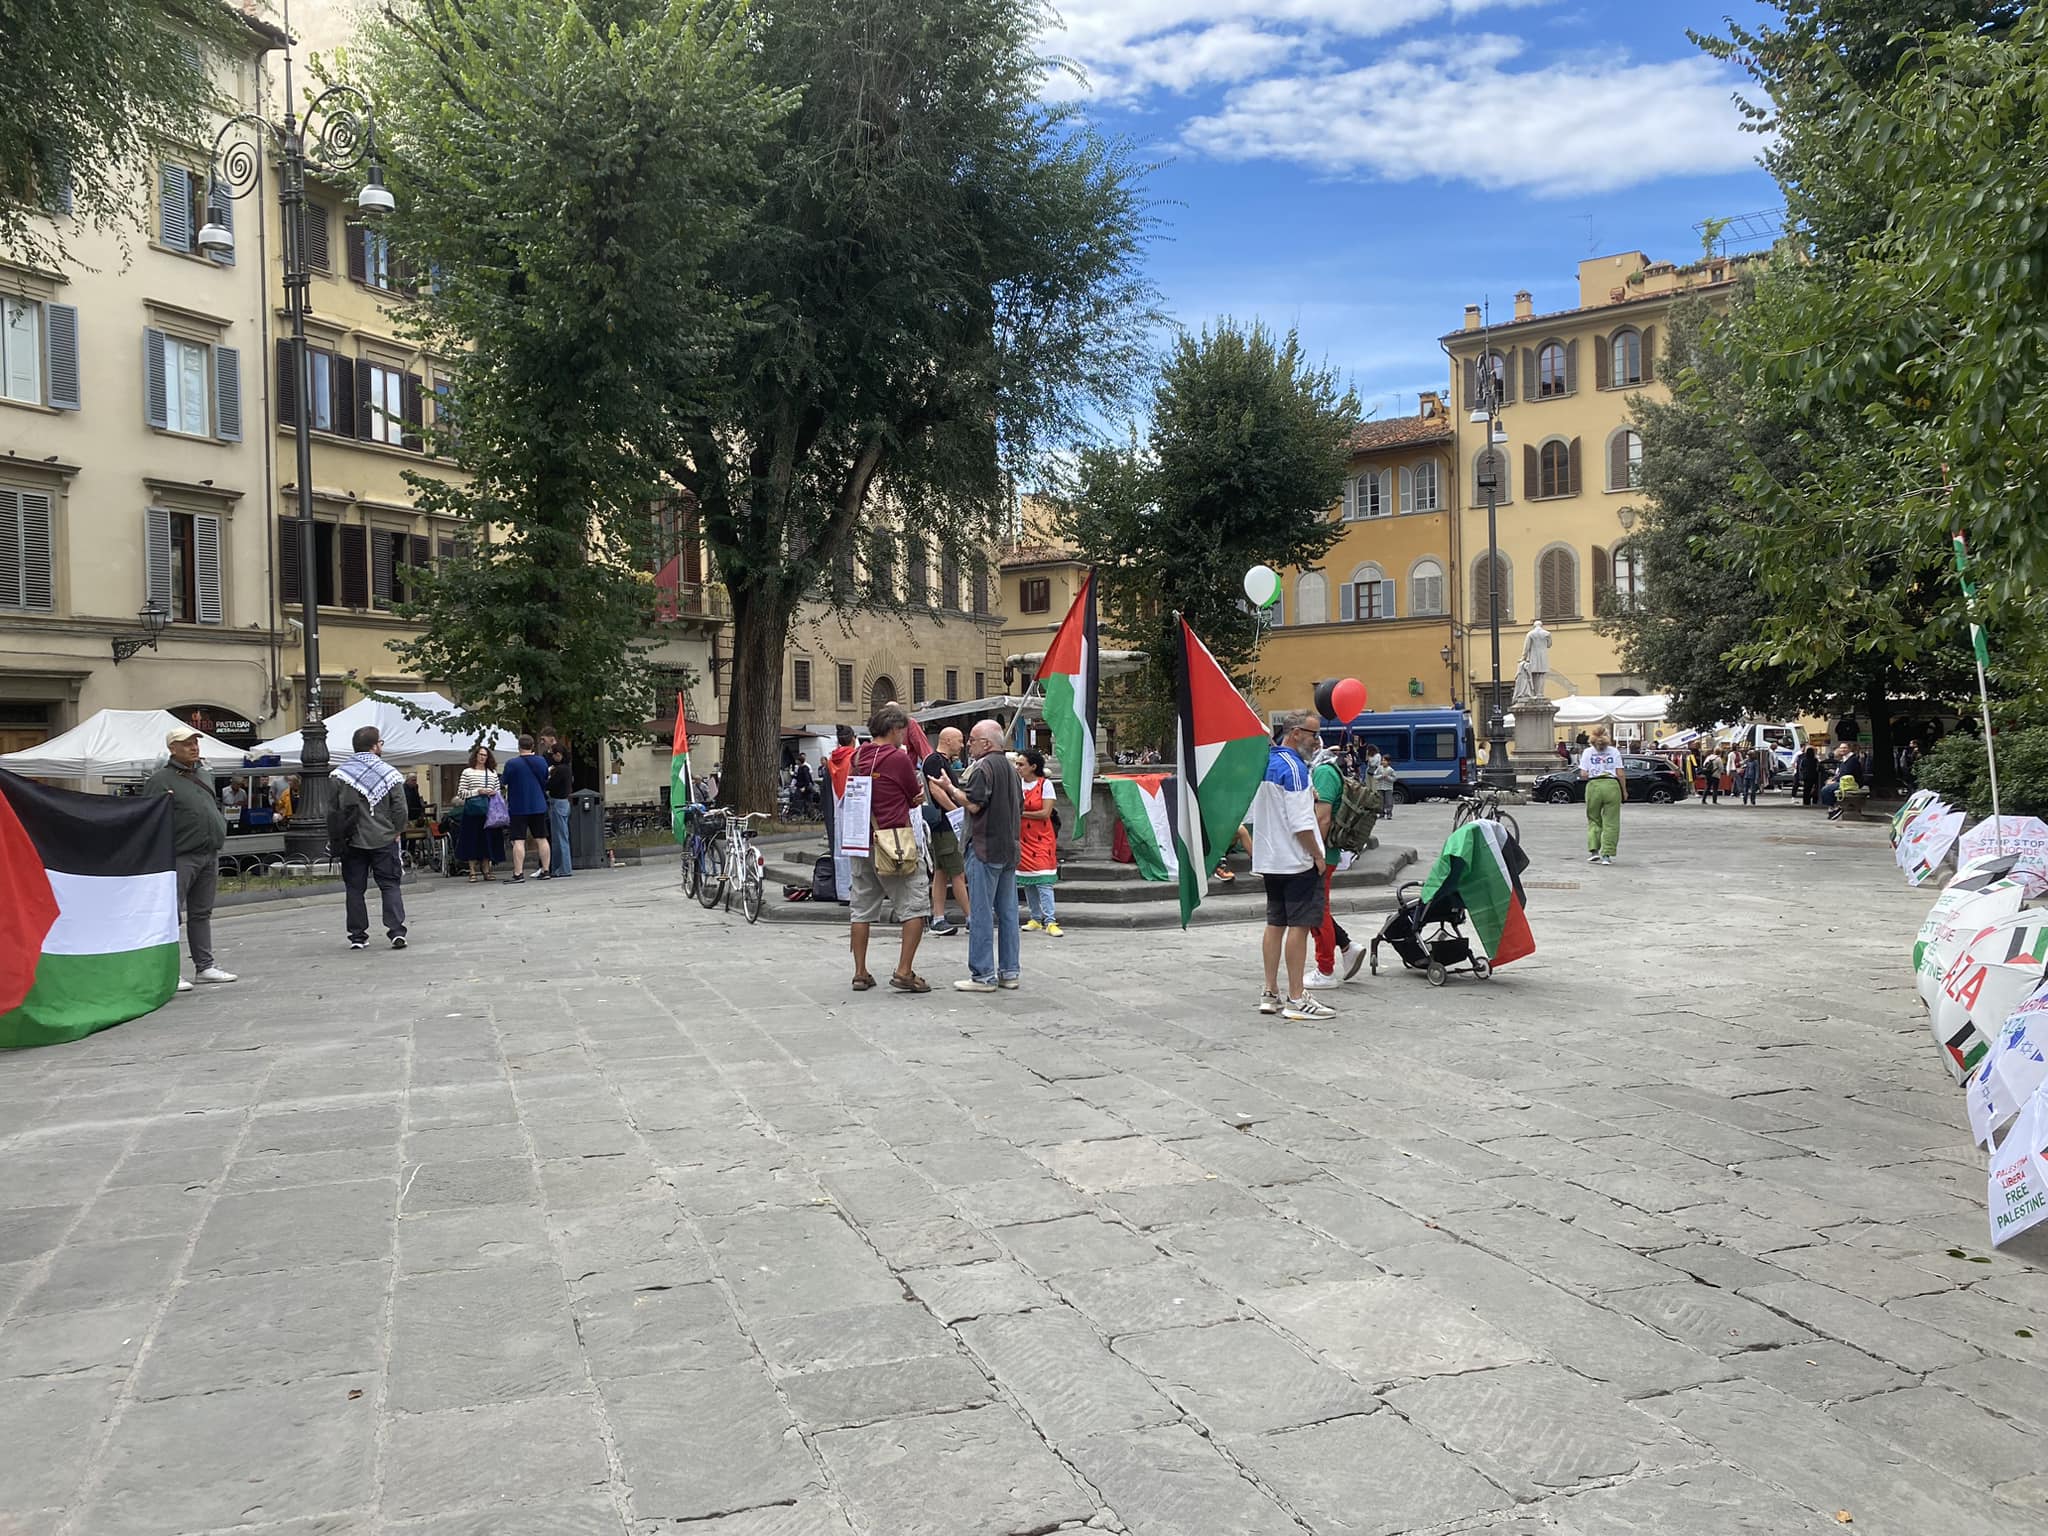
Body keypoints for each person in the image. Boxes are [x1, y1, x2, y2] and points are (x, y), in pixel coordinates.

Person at [1254, 712, 1333, 1022]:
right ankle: (1297, 996)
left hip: (1270, 858)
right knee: (1298, 927)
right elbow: (1301, 823)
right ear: (1296, 733)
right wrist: (1317, 855)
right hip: (1296, 860)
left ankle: (1270, 992)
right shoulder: (1296, 769)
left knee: (1275, 924)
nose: (1317, 741)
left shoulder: (1266, 763)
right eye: (1313, 734)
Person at [144, 726, 235, 991]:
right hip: (180, 854)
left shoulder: (204, 774)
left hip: (208, 852)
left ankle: (205, 966)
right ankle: (169, 972)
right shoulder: (160, 780)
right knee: (171, 914)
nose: (193, 747)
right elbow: (151, 818)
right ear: (172, 748)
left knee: (201, 912)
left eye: (195, 742)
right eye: (186, 744)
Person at [848, 704, 931, 993]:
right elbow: (913, 795)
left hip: (862, 840)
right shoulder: (897, 758)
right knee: (914, 905)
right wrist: (915, 798)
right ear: (895, 730)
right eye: (903, 733)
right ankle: (904, 971)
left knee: (861, 907)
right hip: (895, 841)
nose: (903, 738)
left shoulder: (857, 756)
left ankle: (860, 972)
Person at [957, 719, 1023, 993]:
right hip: (1008, 849)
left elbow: (974, 804)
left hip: (985, 848)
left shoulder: (983, 768)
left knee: (981, 913)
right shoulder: (1011, 769)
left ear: (986, 743)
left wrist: (949, 790)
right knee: (1008, 913)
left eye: (972, 739)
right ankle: (1009, 971)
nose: (968, 744)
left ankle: (983, 975)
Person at [333, 725, 410, 951]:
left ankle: (357, 935)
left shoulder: (341, 774)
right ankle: (396, 931)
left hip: (352, 840)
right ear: (375, 745)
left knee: (355, 889)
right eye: (381, 742)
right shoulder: (389, 773)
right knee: (390, 885)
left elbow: (333, 809)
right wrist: (397, 829)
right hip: (384, 837)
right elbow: (400, 808)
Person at [1305, 745, 1363, 989]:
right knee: (1315, 909)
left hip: (1321, 854)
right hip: (1324, 853)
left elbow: (1323, 817)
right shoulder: (1324, 770)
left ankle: (1325, 969)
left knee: (1316, 911)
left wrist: (1314, 854)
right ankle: (1347, 947)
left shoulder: (1323, 773)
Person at [922, 726, 971, 936]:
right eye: (959, 740)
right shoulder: (935, 761)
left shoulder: (938, 761)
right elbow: (936, 790)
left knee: (941, 873)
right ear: (948, 740)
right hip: (946, 825)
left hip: (942, 825)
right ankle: (972, 918)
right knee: (958, 872)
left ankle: (938, 918)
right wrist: (958, 813)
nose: (962, 745)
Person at [1017, 748, 1061, 937]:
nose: (1017, 767)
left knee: (1043, 879)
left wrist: (1020, 813)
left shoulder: (1045, 785)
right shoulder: (1016, 784)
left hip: (1041, 837)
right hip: (1022, 838)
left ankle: (1050, 919)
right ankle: (1035, 917)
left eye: (1021, 764)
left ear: (1033, 766)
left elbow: (1045, 813)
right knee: (1028, 880)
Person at [501, 734, 553, 882]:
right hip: (538, 804)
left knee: (518, 840)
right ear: (532, 746)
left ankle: (518, 873)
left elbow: (504, 781)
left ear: (519, 746)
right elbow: (545, 778)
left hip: (518, 806)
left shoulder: (512, 763)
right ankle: (546, 870)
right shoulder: (541, 761)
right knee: (542, 838)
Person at [1579, 726, 1626, 865]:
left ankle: (1594, 851)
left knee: (1594, 819)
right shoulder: (1614, 751)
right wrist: (1624, 791)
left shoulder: (1587, 752)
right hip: (1612, 786)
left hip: (1594, 786)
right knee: (1611, 822)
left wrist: (1593, 772)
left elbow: (1583, 774)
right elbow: (1620, 773)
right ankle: (1606, 855)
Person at [455, 744, 502, 882]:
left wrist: (493, 793)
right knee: (471, 840)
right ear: (475, 756)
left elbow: (498, 791)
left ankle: (487, 870)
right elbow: (461, 793)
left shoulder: (492, 773)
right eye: (480, 754)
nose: (482, 757)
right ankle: (472, 871)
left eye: (485, 755)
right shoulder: (467, 772)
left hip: (489, 811)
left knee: (487, 840)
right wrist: (477, 791)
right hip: (472, 811)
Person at [826, 724, 858, 905]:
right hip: (853, 806)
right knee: (857, 851)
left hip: (838, 807)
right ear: (853, 738)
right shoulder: (854, 757)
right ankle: (855, 889)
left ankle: (843, 891)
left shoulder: (832, 759)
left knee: (840, 851)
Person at [540, 730, 574, 880]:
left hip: (558, 803)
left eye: (554, 755)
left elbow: (549, 785)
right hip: (563, 803)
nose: (552, 757)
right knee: (561, 836)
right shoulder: (566, 768)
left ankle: (563, 868)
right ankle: (560, 867)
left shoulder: (560, 770)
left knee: (560, 837)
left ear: (558, 755)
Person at [1370, 745, 1397, 822]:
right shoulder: (1379, 768)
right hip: (1380, 787)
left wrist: (1388, 777)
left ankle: (1389, 813)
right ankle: (1381, 813)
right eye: (1382, 760)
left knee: (1389, 801)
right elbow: (1375, 776)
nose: (1383, 762)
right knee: (1380, 801)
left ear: (1388, 762)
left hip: (1388, 787)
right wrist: (1381, 776)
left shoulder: (1390, 770)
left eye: (1385, 760)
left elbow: (1394, 778)